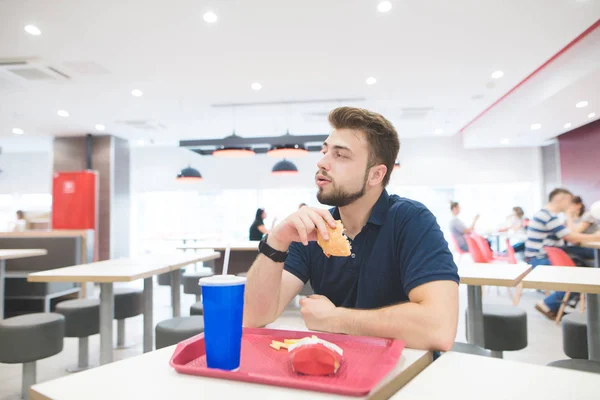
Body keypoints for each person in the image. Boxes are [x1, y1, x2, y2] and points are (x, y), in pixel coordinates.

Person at [243, 107, 459, 351]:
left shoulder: (410, 220)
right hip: (336, 373)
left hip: (405, 377)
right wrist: (277, 240)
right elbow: (252, 317)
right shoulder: (317, 229)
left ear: (375, 175)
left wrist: (334, 318)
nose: (322, 162)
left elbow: (439, 329)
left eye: (340, 155)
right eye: (325, 151)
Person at [525, 188, 600, 319]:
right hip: (541, 258)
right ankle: (547, 304)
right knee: (579, 276)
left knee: (583, 267)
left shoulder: (547, 215)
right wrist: (595, 237)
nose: (570, 205)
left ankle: (553, 306)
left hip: (543, 255)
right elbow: (570, 237)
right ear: (560, 200)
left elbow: (570, 235)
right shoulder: (547, 216)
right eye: (569, 201)